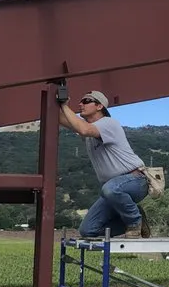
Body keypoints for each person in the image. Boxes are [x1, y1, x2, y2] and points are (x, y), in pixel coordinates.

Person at [59, 90, 151, 239]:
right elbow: (64, 120)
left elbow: (83, 129)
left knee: (109, 189)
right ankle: (135, 218)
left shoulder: (108, 123)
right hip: (113, 189)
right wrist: (59, 104)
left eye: (86, 101)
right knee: (88, 230)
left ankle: (134, 221)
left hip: (136, 180)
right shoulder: (89, 131)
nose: (80, 104)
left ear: (99, 106)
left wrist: (64, 106)